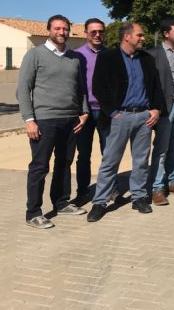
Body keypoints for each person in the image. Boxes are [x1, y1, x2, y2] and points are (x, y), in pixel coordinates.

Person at [17, 14, 89, 229]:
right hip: (44, 120)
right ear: (49, 30)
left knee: (64, 163)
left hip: (70, 119)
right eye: (57, 28)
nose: (61, 32)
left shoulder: (75, 58)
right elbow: (23, 89)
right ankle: (33, 212)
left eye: (65, 29)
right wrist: (29, 120)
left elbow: (80, 88)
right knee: (40, 166)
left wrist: (83, 112)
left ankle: (60, 202)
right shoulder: (35, 55)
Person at [87, 22, 164, 222]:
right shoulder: (108, 57)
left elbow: (155, 85)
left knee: (140, 161)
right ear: (127, 37)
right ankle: (100, 202)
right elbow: (98, 87)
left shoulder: (146, 58)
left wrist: (155, 109)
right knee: (110, 161)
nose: (143, 38)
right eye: (139, 35)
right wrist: (112, 112)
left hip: (143, 117)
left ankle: (138, 198)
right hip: (119, 117)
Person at [147, 19, 174, 205]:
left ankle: (172, 181)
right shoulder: (153, 54)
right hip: (165, 107)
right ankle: (157, 188)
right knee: (161, 148)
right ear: (166, 34)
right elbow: (149, 83)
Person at [74, 18, 108, 206]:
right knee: (83, 155)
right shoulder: (77, 55)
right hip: (84, 113)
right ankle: (82, 192)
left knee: (108, 153)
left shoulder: (111, 54)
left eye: (100, 31)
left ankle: (108, 188)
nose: (97, 35)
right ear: (86, 33)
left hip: (105, 112)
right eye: (93, 31)